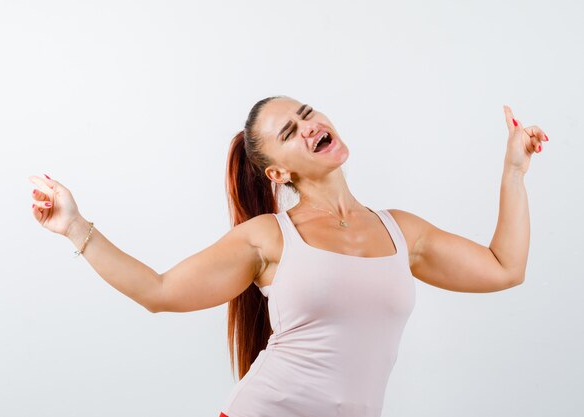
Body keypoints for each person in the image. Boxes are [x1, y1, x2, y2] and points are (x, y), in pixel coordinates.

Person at [28, 95, 549, 417]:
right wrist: (75, 226)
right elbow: (159, 292)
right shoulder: (269, 239)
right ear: (277, 173)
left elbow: (505, 268)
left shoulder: (401, 231)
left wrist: (514, 172)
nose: (308, 125)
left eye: (306, 114)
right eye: (289, 132)